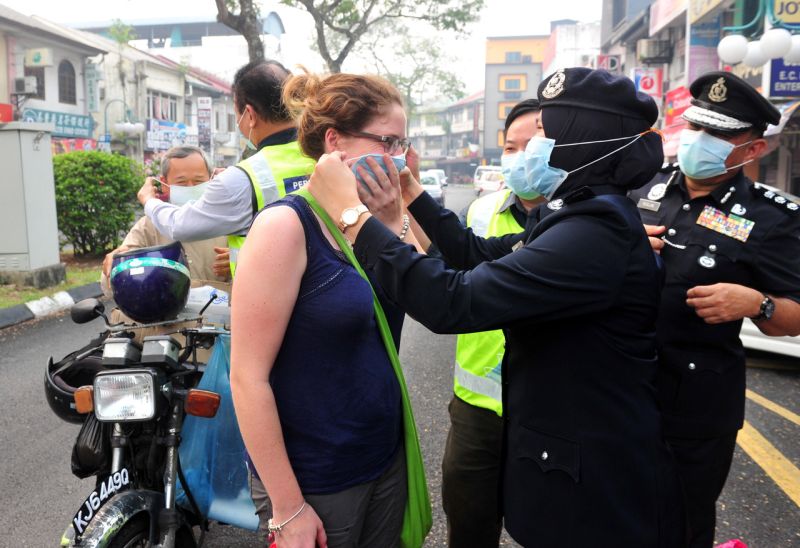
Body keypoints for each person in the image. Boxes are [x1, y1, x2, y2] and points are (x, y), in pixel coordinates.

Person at [307, 67, 687, 547]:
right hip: (571, 455)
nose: (532, 146)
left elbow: (454, 301)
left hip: (597, 484)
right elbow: (480, 253)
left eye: (546, 132)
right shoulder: (578, 215)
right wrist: (411, 193)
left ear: (582, 142)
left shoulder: (595, 234)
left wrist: (353, 216)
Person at [230, 71, 430, 548]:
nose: (397, 157)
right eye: (386, 141)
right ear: (334, 141)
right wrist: (287, 506)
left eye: (402, 143)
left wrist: (395, 214)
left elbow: (432, 294)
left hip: (384, 457)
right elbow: (247, 377)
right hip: (316, 477)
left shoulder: (371, 224)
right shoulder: (285, 226)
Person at [629, 71, 800, 548]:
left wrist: (757, 303)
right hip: (623, 389)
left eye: (720, 134)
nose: (700, 140)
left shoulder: (772, 218)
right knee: (615, 515)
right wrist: (623, 247)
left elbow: (796, 313)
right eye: (698, 126)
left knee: (681, 524)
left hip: (696, 409)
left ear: (753, 150)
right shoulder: (642, 189)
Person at [443, 98, 544, 548]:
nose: (520, 156)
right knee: (468, 523)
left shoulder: (586, 222)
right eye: (510, 146)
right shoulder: (480, 213)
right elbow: (450, 281)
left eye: (533, 145)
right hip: (477, 405)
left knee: (550, 525)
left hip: (549, 406)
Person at [136, 60, 316, 275]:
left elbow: (178, 225)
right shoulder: (325, 154)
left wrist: (149, 200)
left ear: (249, 114)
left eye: (236, 113)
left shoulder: (242, 179)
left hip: (272, 300)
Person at [101, 145, 231, 297]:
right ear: (164, 184)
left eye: (198, 182)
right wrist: (116, 264)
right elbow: (112, 279)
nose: (190, 187)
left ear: (210, 180)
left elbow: (258, 269)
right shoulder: (149, 225)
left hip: (219, 317)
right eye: (181, 183)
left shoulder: (228, 220)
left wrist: (239, 260)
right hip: (167, 318)